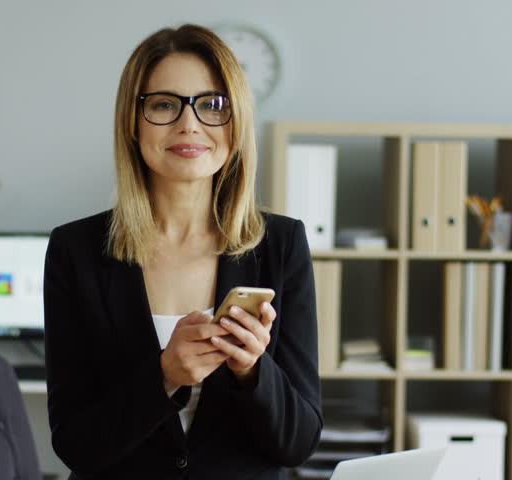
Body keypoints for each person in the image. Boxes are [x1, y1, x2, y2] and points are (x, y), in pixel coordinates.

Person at [43, 24, 322, 479]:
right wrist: (165, 375)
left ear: (236, 124)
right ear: (133, 124)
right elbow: (76, 444)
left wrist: (252, 370)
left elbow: (298, 443)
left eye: (213, 105)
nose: (189, 123)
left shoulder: (281, 245)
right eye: (163, 104)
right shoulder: (76, 250)